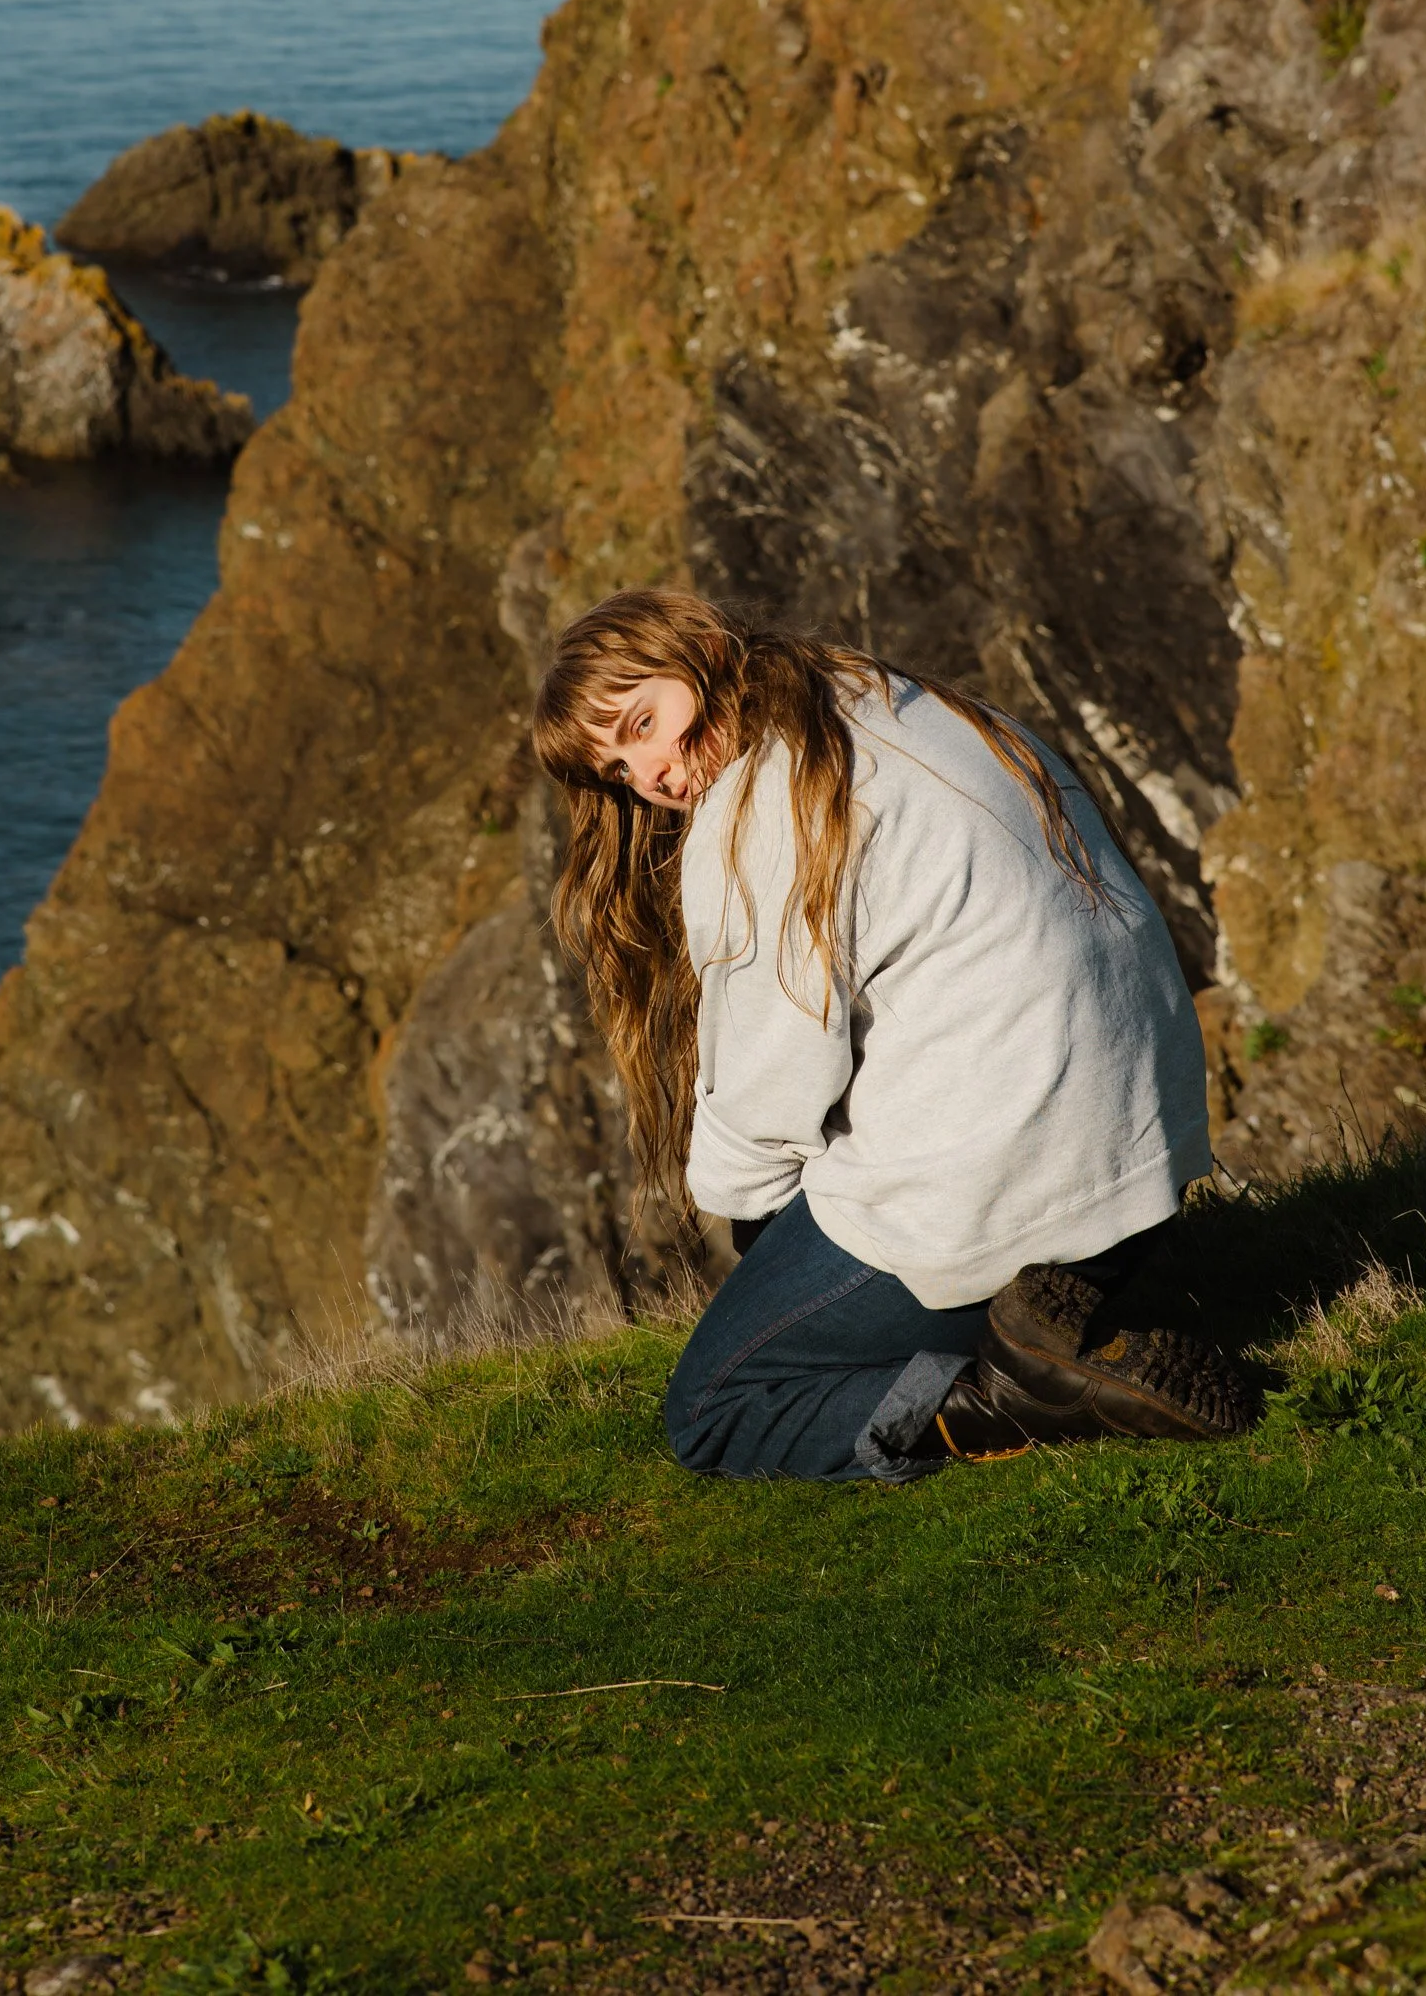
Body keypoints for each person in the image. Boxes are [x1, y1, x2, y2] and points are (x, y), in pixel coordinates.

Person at [532, 590, 1257, 1482]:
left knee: (714, 1407)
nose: (652, 772)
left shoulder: (764, 803)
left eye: (644, 721)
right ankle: (1047, 1311)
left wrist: (750, 1227)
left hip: (1010, 1183)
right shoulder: (905, 702)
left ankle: (1006, 1393)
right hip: (1141, 1169)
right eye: (618, 767)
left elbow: (769, 1092)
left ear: (703, 651)